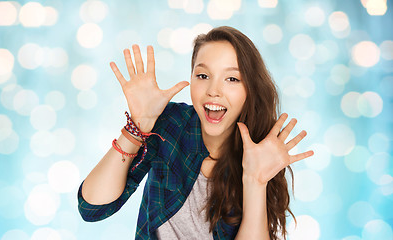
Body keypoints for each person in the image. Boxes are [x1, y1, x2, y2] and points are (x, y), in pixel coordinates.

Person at [77, 26, 314, 240]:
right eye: (203, 76)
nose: (214, 91)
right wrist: (137, 127)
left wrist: (255, 180)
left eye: (232, 78)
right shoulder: (171, 124)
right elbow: (92, 208)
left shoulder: (261, 153)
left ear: (250, 89)